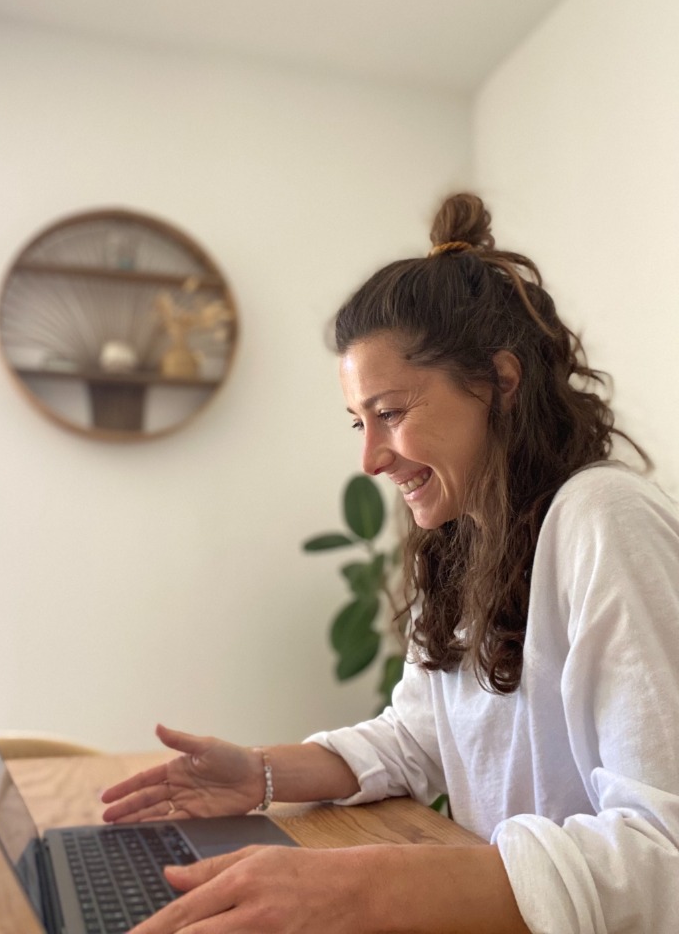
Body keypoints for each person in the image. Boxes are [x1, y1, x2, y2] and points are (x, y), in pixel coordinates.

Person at [101, 193, 679, 934]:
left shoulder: (606, 519)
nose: (370, 458)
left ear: (501, 383)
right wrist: (261, 775)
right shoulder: (468, 539)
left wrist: (360, 888)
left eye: (392, 413)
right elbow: (418, 737)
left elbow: (663, 852)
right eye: (358, 421)